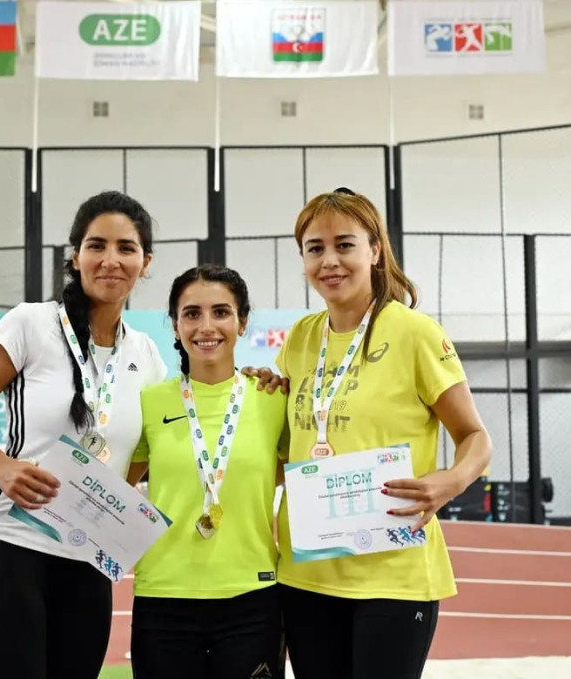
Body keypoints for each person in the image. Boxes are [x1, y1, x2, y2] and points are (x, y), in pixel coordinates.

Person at [0, 191, 167, 679]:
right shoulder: (31, 323)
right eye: (97, 245)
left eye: (126, 248)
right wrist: (0, 466)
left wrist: (110, 499)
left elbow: (148, 448)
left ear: (145, 262)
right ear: (76, 256)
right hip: (8, 547)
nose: (110, 260)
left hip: (87, 559)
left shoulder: (146, 353)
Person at [275, 188, 492, 679]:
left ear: (374, 250)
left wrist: (450, 481)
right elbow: (286, 445)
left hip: (392, 574)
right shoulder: (300, 338)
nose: (329, 261)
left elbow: (475, 436)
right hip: (307, 574)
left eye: (344, 245)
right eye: (315, 248)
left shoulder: (415, 332)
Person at [127, 265, 287, 679]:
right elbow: (118, 485)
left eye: (221, 312)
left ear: (242, 322)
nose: (206, 326)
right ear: (175, 325)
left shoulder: (275, 399)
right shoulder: (150, 403)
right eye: (192, 313)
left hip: (252, 596)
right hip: (164, 598)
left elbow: (290, 472)